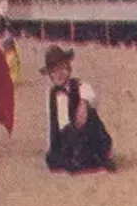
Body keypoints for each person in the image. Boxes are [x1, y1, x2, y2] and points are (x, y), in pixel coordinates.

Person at [42, 45, 115, 173]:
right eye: (54, 71)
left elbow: (90, 94)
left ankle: (99, 154)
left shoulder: (78, 85)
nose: (59, 74)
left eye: (62, 68)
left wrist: (83, 102)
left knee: (91, 114)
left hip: (82, 132)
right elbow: (62, 125)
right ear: (50, 75)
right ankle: (85, 160)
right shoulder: (54, 94)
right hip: (66, 139)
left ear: (68, 69)